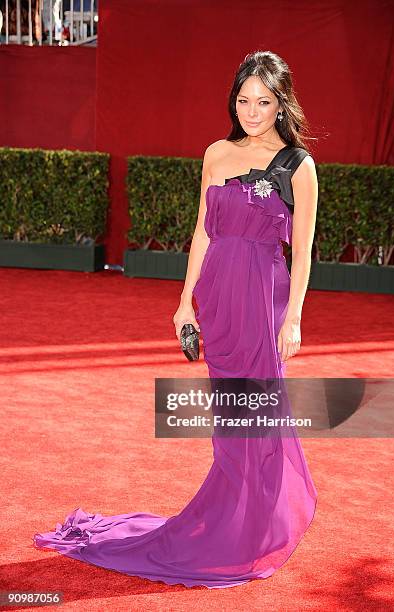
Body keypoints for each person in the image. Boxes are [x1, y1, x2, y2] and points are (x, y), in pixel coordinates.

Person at [33, 50, 318, 589]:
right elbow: (203, 232)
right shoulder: (216, 152)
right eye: (243, 100)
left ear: (281, 103)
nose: (252, 111)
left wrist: (295, 319)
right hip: (217, 295)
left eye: (263, 101)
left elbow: (302, 252)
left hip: (262, 299)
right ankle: (235, 525)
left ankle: (255, 527)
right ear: (233, 100)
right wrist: (186, 300)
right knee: (229, 421)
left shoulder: (298, 166)